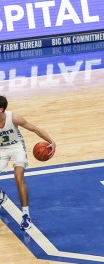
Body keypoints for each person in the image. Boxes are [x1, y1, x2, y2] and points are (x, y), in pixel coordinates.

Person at [0, 95, 56, 231]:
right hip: (1, 150)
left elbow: (35, 128)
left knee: (19, 177)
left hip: (16, 148)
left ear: (1, 109)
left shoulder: (13, 118)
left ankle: (26, 216)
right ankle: (1, 196)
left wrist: (51, 141)